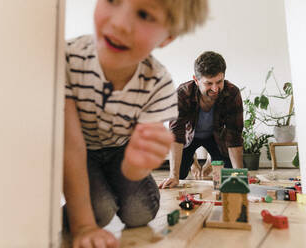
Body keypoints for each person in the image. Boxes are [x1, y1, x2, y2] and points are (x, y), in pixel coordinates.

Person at [63, 0, 209, 247]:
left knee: (140, 213)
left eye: (144, 14)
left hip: (121, 150)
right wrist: (84, 226)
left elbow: (135, 165)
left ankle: (107, 188)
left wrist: (138, 164)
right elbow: (71, 147)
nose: (119, 23)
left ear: (168, 37)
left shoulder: (158, 82)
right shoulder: (69, 59)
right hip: (82, 151)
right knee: (99, 210)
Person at [159, 51, 244, 189]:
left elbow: (234, 135)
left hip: (215, 136)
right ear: (196, 80)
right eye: (209, 83)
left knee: (231, 174)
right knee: (179, 174)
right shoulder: (182, 94)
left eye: (219, 82)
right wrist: (173, 176)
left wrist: (239, 175)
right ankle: (193, 160)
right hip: (189, 137)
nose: (215, 89)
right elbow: (176, 135)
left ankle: (211, 159)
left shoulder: (232, 93)